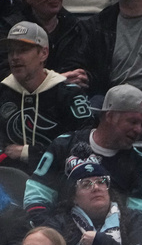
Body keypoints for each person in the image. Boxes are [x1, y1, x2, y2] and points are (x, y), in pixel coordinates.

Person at [22, 84, 142, 245]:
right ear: (109, 116)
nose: (138, 130)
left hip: (109, 242)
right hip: (55, 236)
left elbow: (137, 216)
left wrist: (103, 243)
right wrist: (49, 234)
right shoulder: (64, 144)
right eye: (132, 121)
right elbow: (36, 194)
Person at [0, 21, 93, 175]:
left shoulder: (70, 95)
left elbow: (84, 146)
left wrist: (29, 153)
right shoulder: (3, 93)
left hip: (57, 179)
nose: (14, 57)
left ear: (43, 53)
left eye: (23, 50)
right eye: (11, 52)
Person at [4, 0, 90, 85]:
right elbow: (4, 75)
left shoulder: (74, 27)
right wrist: (54, 81)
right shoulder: (9, 28)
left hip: (67, 95)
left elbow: (81, 72)